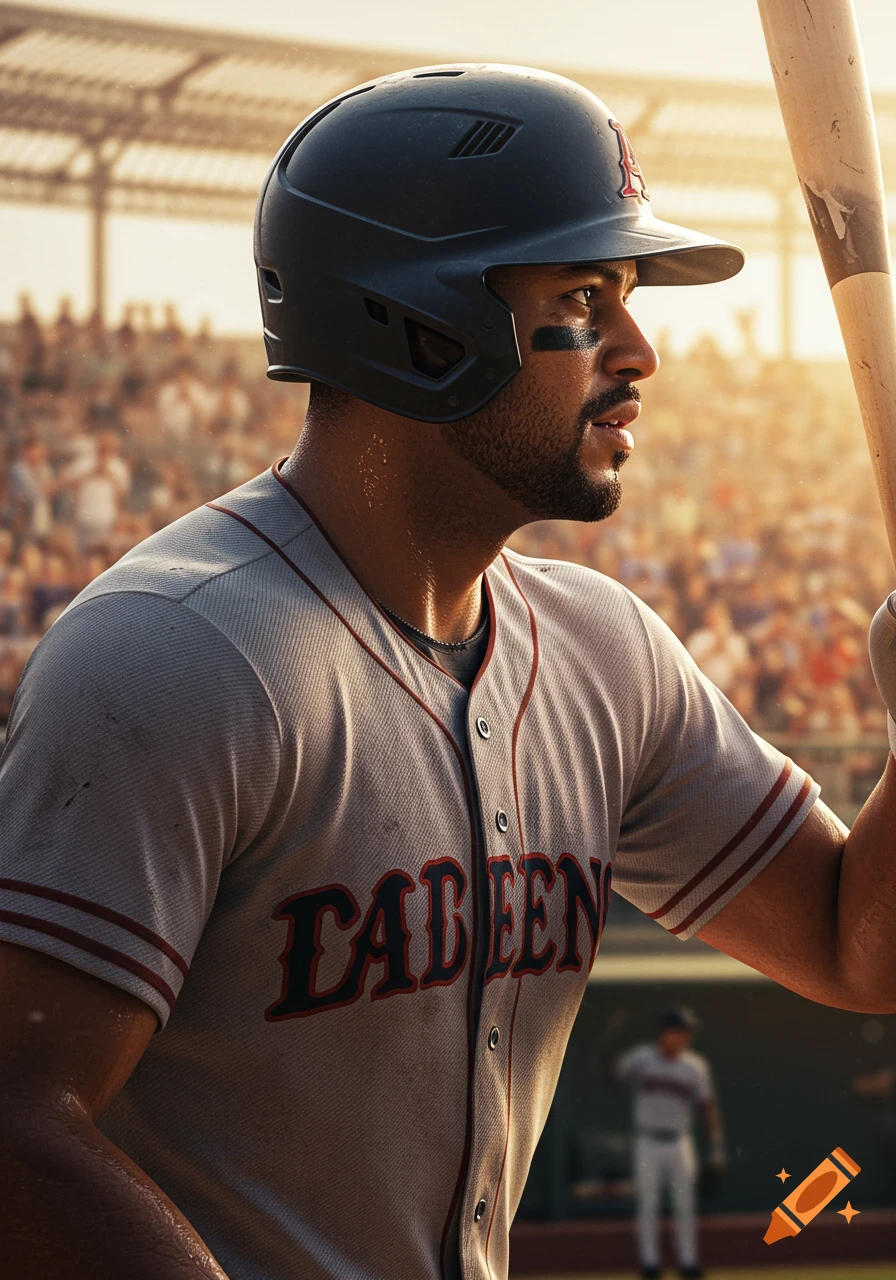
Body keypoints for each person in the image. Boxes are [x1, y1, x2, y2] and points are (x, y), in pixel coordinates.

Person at [2, 64, 896, 1280]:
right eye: (585, 296)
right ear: (417, 324)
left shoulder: (606, 653)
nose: (639, 350)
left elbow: (858, 947)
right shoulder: (176, 651)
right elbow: (16, 1121)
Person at [615, 1007, 725, 1279]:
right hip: (648, 1140)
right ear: (665, 1032)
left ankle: (688, 1262)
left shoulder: (694, 1066)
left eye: (686, 1033)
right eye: (679, 1031)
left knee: (684, 1205)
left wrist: (716, 1148)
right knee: (648, 1204)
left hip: (679, 1142)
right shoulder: (641, 1059)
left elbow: (708, 1107)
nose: (683, 1038)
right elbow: (615, 1073)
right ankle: (650, 1264)